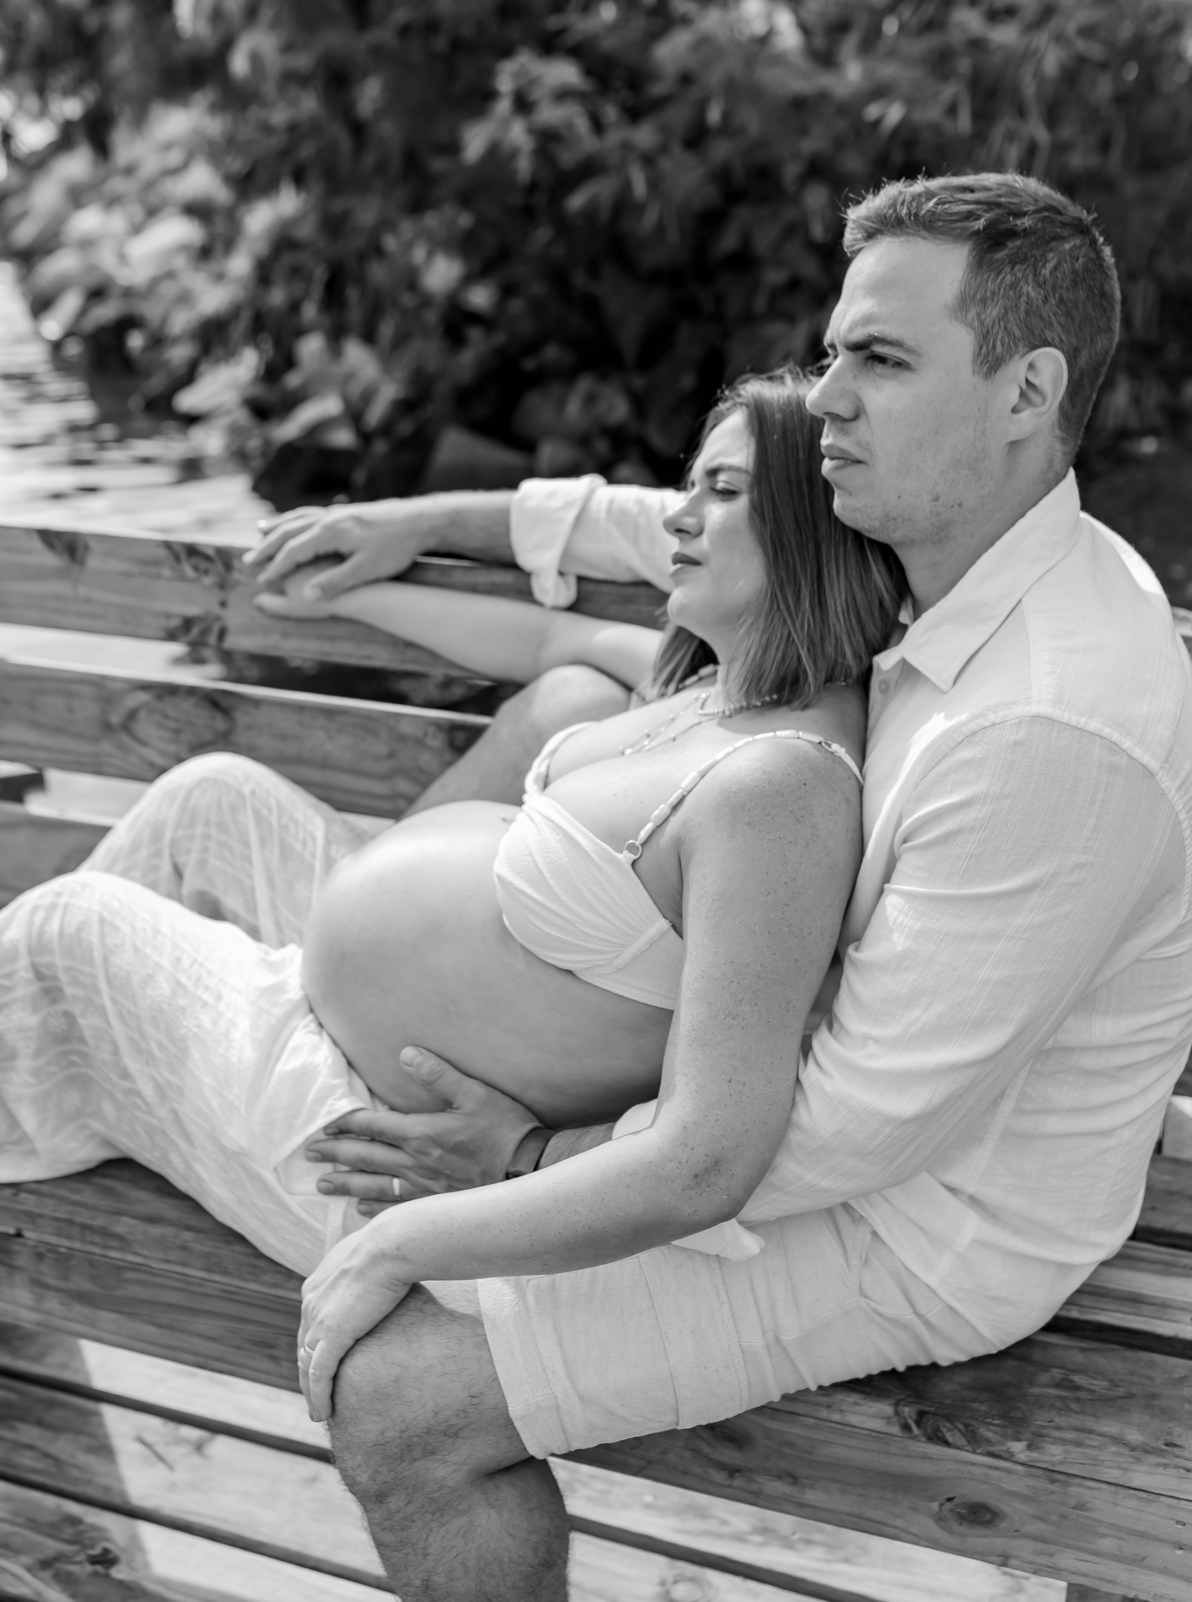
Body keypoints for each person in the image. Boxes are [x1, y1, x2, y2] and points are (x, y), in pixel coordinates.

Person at [245, 171, 1192, 1602]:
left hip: (930, 1225)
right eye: (831, 354)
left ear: (1026, 389)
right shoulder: (946, 542)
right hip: (779, 1111)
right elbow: (702, 519)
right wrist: (425, 516)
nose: (829, 399)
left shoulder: (1049, 722)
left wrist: (521, 1164)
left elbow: (851, 1135)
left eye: (878, 359)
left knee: (401, 1397)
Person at [0, 374, 900, 1321]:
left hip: (389, 1149)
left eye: (722, 493)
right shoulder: (716, 687)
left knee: (71, 925)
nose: (677, 518)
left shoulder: (782, 785)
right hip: (349, 1023)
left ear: (814, 526)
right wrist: (358, 588)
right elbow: (542, 633)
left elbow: (709, 1148)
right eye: (692, 485)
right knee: (211, 798)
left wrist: (519, 1158)